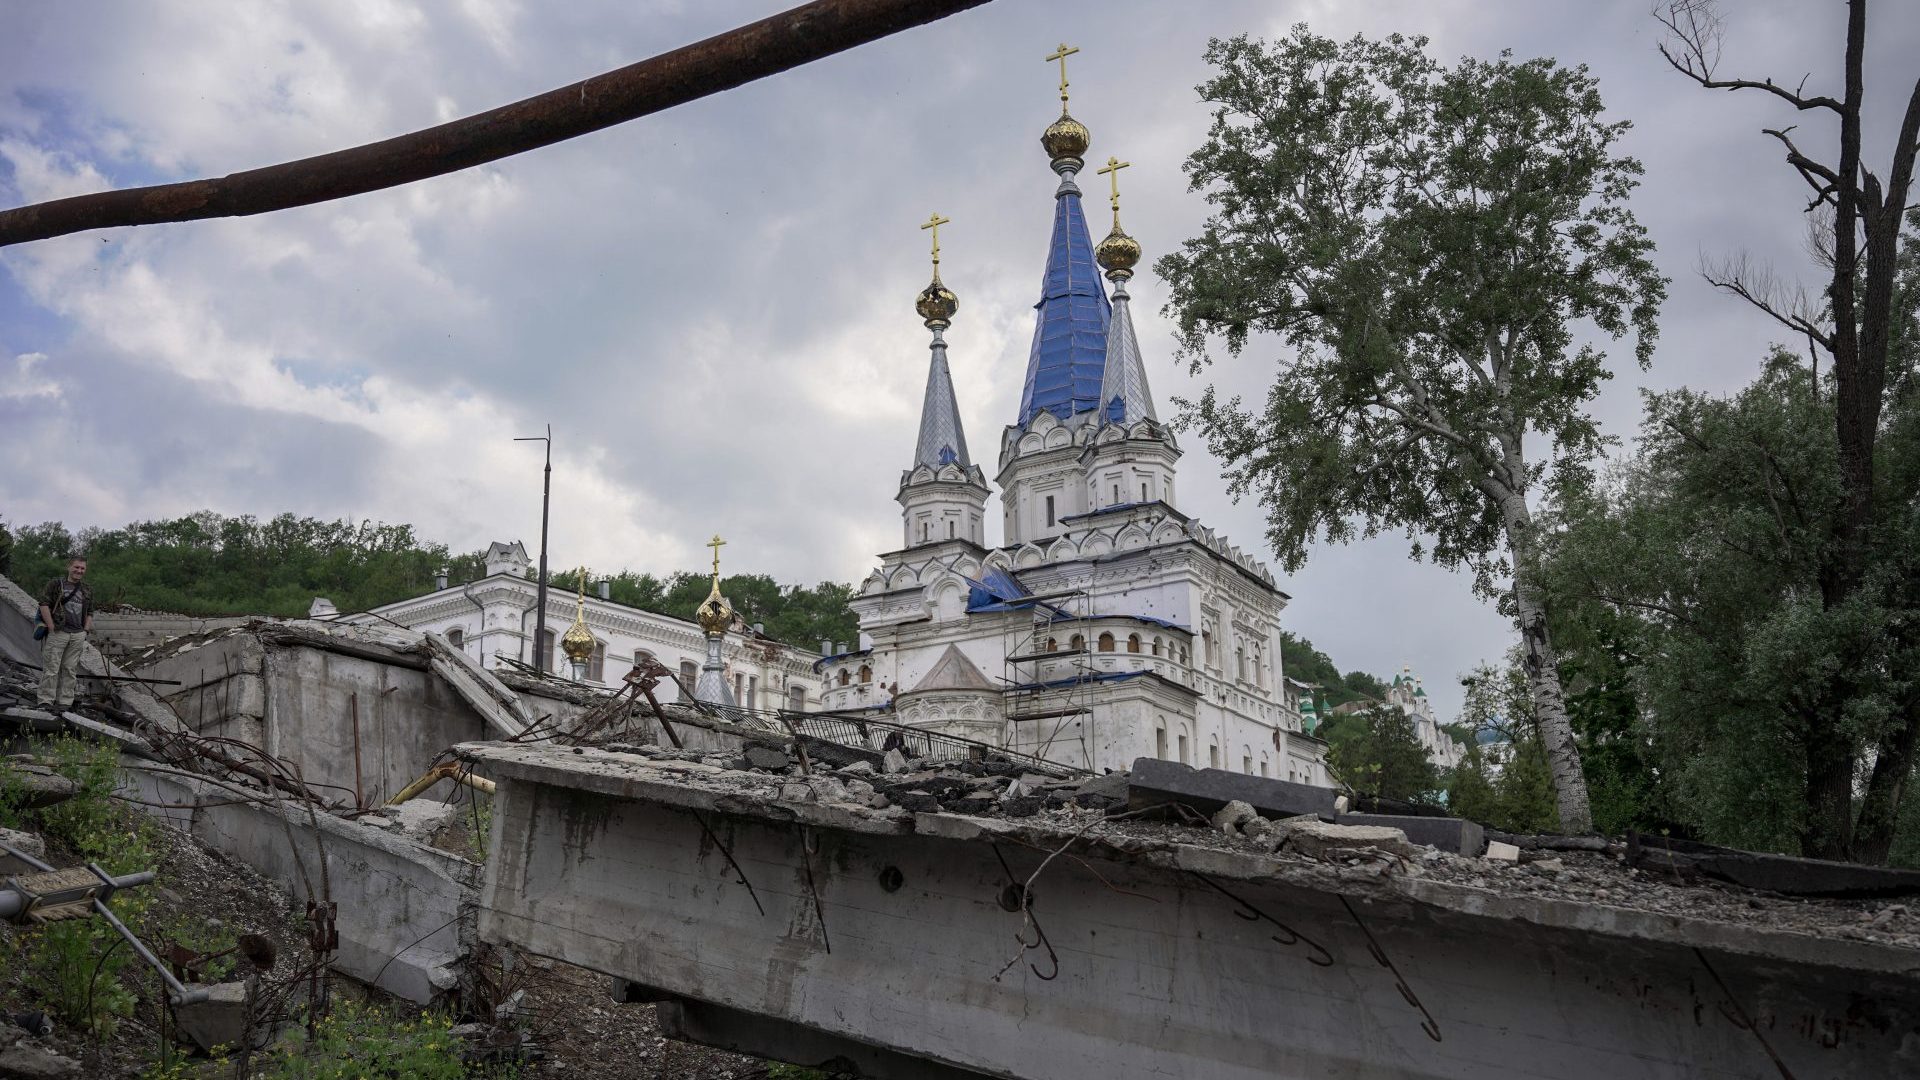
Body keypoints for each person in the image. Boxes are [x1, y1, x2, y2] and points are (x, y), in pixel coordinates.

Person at [36, 555, 93, 711]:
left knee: (70, 669)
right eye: (76, 567)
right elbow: (43, 604)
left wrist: (85, 631)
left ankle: (65, 703)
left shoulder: (86, 589)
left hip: (77, 634)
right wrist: (51, 626)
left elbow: (91, 612)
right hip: (59, 632)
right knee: (51, 668)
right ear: (69, 567)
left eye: (82, 568)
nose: (79, 571)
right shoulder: (56, 584)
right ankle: (45, 701)